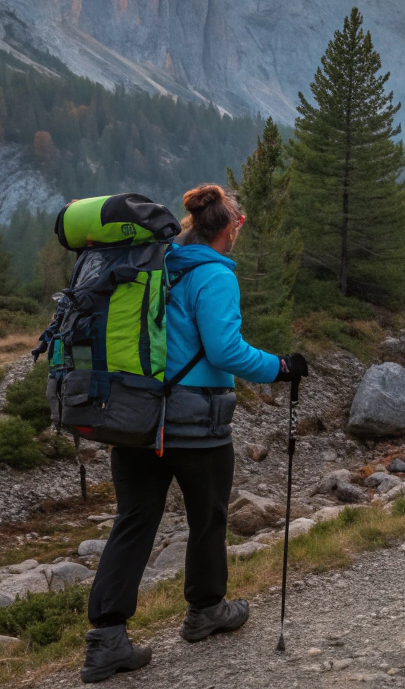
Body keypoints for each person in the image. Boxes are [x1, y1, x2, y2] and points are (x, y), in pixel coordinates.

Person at [82, 184, 310, 683]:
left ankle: (106, 641)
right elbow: (226, 352)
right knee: (208, 519)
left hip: (136, 419)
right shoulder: (214, 275)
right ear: (231, 228)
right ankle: (205, 611)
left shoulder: (154, 265)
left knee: (134, 523)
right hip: (196, 425)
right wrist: (281, 367)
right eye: (239, 224)